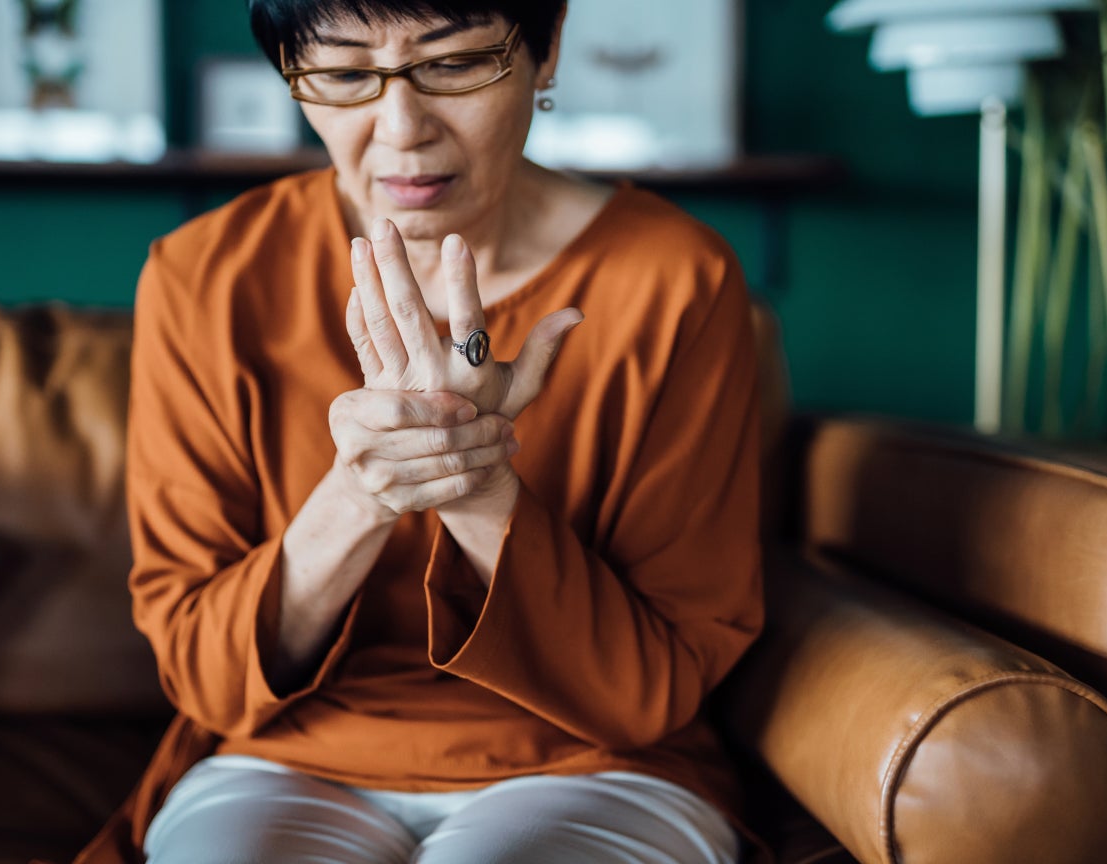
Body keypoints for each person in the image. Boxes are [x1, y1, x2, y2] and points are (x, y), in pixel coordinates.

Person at [74, 1, 764, 861]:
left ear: (544, 54)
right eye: (345, 74)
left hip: (598, 760)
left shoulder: (676, 278)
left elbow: (649, 693)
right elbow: (206, 678)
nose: (402, 130)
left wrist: (477, 480)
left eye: (454, 64)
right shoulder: (204, 277)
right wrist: (364, 488)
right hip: (287, 758)